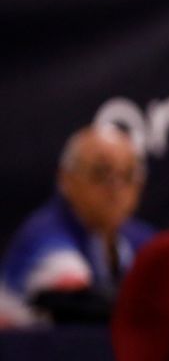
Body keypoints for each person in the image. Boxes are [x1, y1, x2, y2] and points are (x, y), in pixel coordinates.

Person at [1, 125, 153, 303]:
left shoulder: (137, 237)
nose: (116, 189)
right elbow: (85, 310)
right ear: (66, 178)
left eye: (128, 174)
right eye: (101, 172)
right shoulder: (46, 242)